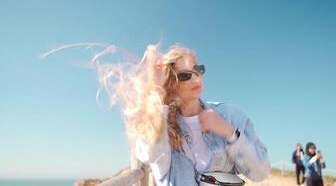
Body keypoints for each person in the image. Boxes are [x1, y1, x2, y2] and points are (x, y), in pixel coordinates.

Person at [108, 44, 270, 185]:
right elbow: (149, 154)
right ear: (170, 85)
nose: (195, 78)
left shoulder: (229, 114)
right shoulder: (164, 126)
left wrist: (229, 132)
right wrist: (156, 92)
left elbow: (260, 172)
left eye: (197, 70)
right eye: (185, 75)